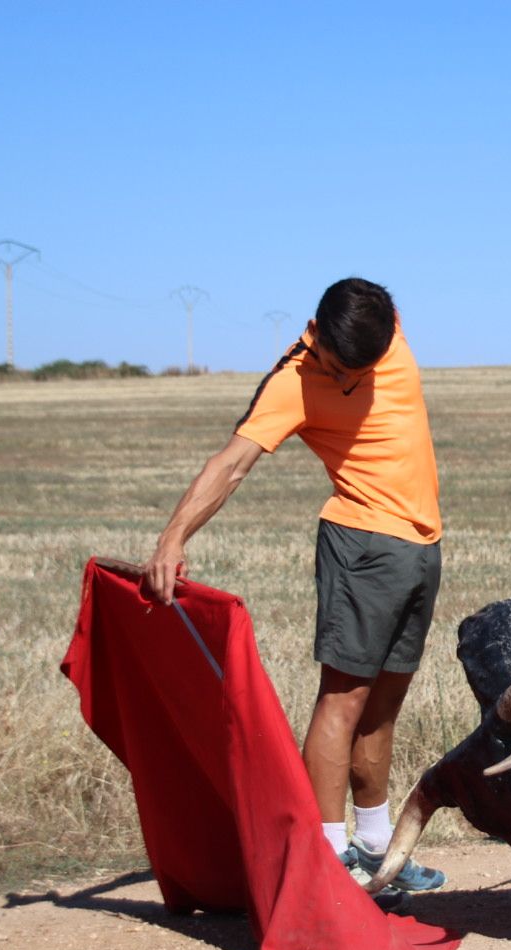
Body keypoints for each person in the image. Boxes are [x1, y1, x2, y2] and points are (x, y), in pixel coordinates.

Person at [142, 277, 446, 897]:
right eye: (337, 369)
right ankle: (324, 861)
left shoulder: (386, 326)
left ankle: (377, 852)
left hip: (420, 548)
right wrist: (174, 537)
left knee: (384, 707)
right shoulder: (293, 381)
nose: (346, 382)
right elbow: (230, 464)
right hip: (361, 546)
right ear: (316, 336)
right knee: (343, 700)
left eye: (360, 370)